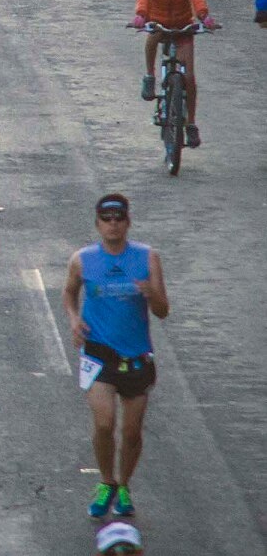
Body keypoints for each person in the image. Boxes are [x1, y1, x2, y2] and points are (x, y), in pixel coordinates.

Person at [64, 193, 169, 520]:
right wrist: (73, 319)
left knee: (132, 432)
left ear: (127, 222)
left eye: (118, 219)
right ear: (97, 223)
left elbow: (163, 311)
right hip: (99, 355)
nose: (113, 225)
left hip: (136, 357)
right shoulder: (82, 260)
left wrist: (151, 294)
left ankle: (124, 485)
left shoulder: (147, 258)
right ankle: (106, 481)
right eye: (106, 219)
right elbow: (69, 292)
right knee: (105, 423)